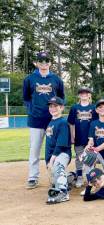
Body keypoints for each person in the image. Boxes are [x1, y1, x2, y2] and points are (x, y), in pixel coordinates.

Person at [23, 51, 65, 189]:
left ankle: (54, 176)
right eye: (41, 61)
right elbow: (26, 98)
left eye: (47, 60)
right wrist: (32, 110)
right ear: (36, 63)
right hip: (36, 120)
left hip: (53, 119)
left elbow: (61, 98)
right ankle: (33, 177)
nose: (44, 63)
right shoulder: (30, 79)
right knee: (34, 149)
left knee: (53, 148)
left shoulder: (56, 79)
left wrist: (57, 113)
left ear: (50, 63)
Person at [67, 87, 97, 188]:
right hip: (78, 137)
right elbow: (71, 123)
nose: (84, 94)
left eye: (86, 93)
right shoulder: (74, 107)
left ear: (89, 95)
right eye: (82, 93)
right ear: (79, 95)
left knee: (90, 158)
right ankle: (79, 177)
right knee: (79, 158)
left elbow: (96, 124)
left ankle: (91, 178)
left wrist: (92, 137)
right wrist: (72, 136)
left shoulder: (94, 108)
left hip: (90, 138)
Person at [45, 96, 72, 204]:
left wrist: (51, 160)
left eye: (55, 106)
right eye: (51, 106)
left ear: (61, 107)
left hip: (62, 154)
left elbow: (60, 145)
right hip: (53, 155)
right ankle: (71, 177)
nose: (53, 108)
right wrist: (47, 160)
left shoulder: (63, 123)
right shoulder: (51, 122)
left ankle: (64, 193)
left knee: (57, 165)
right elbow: (49, 144)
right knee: (54, 182)